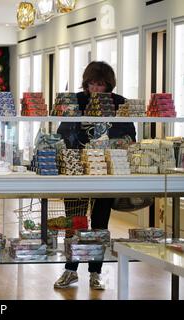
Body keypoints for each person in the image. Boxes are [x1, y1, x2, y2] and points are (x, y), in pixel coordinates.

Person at [55, 61, 136, 290]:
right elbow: (63, 132)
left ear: (108, 85)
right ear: (86, 83)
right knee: (75, 221)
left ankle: (95, 272)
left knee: (100, 224)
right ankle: (70, 270)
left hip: (106, 172)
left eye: (100, 84)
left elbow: (129, 136)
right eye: (92, 83)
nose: (95, 89)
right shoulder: (77, 101)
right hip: (77, 171)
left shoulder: (119, 103)